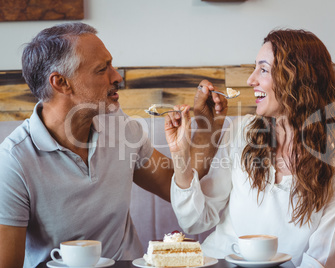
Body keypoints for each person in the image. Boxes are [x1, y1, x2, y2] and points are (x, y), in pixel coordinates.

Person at [0, 22, 227, 268]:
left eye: (111, 64)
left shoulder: (120, 126)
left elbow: (181, 187)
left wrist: (206, 126)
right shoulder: (14, 161)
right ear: (61, 83)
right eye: (102, 69)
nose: (117, 76)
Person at [165, 29, 335, 268]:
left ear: (298, 79)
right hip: (216, 261)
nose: (251, 80)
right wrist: (180, 155)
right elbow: (194, 221)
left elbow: (319, 260)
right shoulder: (242, 132)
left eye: (263, 69)